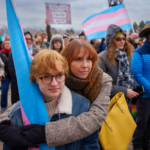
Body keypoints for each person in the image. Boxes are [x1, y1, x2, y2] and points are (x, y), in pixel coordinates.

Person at [0, 40, 112, 148]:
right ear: (66, 63)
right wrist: (4, 124)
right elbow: (23, 103)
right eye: (78, 59)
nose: (85, 65)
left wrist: (44, 133)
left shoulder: (101, 80)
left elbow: (96, 117)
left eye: (90, 59)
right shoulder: (58, 74)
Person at [98, 24, 139, 112]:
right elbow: (100, 84)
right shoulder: (102, 58)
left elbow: (130, 76)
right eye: (118, 39)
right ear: (111, 41)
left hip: (126, 102)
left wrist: (135, 86)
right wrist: (124, 91)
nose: (122, 41)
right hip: (111, 105)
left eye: (123, 38)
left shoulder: (125, 55)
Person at [131, 23, 150, 150]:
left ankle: (146, 145)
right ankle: (137, 146)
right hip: (144, 96)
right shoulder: (138, 53)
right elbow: (137, 75)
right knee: (141, 124)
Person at [0, 38, 12, 113]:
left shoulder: (14, 52)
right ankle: (3, 105)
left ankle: (14, 104)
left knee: (14, 91)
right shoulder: (1, 53)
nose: (7, 45)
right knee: (4, 90)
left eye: (9, 43)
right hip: (5, 74)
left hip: (13, 75)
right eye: (6, 43)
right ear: (4, 45)